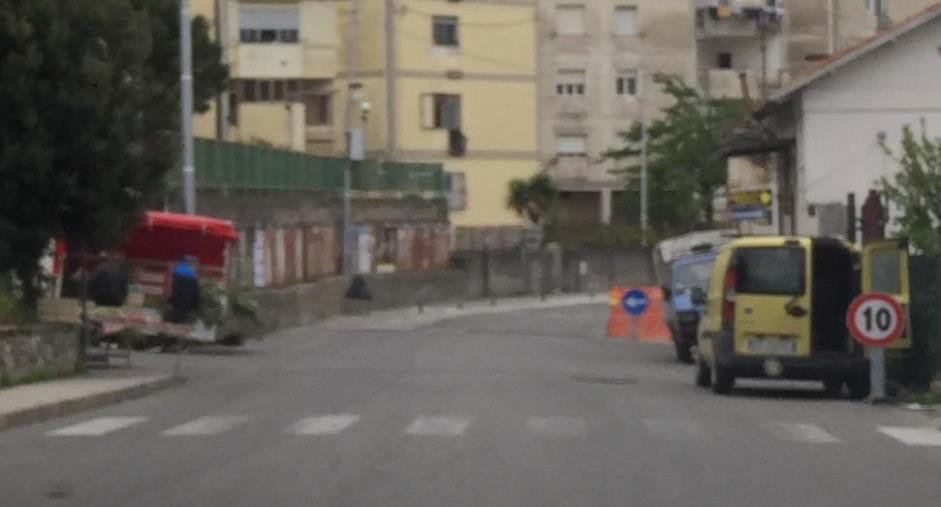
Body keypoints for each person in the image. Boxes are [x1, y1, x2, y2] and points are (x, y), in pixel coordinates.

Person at [165, 256, 200, 324]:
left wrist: (170, 302)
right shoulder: (192, 278)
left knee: (174, 324)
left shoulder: (177, 274)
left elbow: (174, 290)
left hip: (176, 306)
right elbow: (195, 294)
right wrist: (195, 307)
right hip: (187, 307)